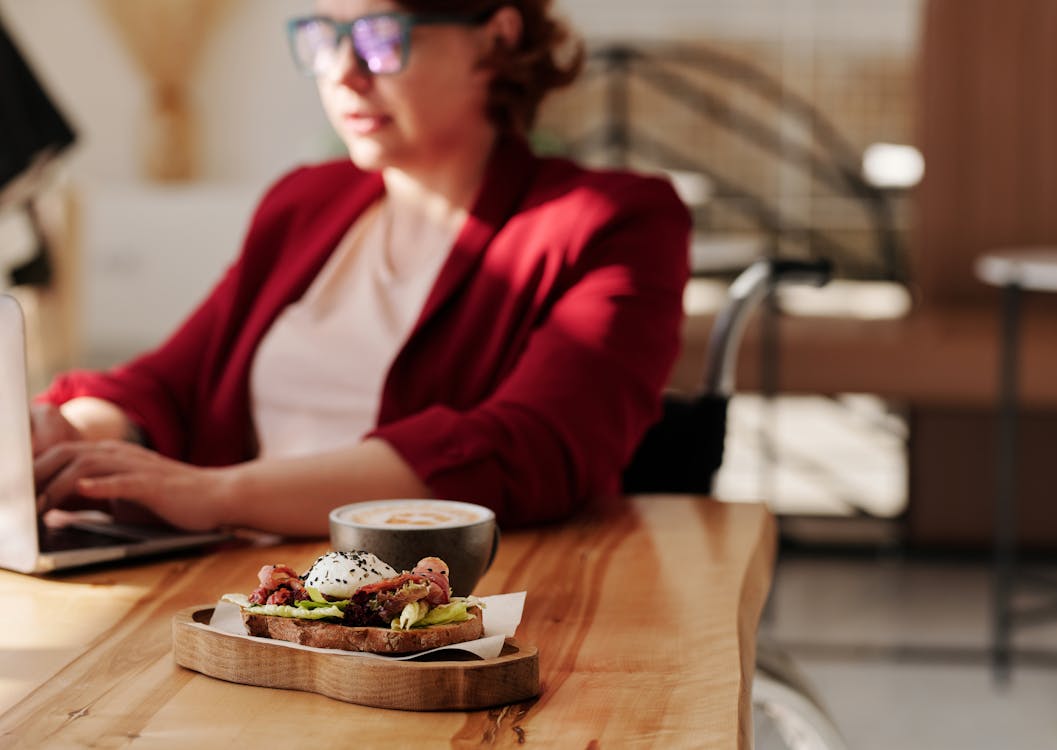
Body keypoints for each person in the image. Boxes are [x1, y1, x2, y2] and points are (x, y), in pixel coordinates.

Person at [31, 0, 691, 536]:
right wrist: (73, 441)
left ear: (496, 39)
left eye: (381, 37)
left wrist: (219, 494)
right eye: (325, 35)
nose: (343, 72)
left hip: (458, 612)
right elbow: (171, 383)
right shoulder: (306, 202)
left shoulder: (614, 221)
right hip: (245, 597)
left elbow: (529, 450)